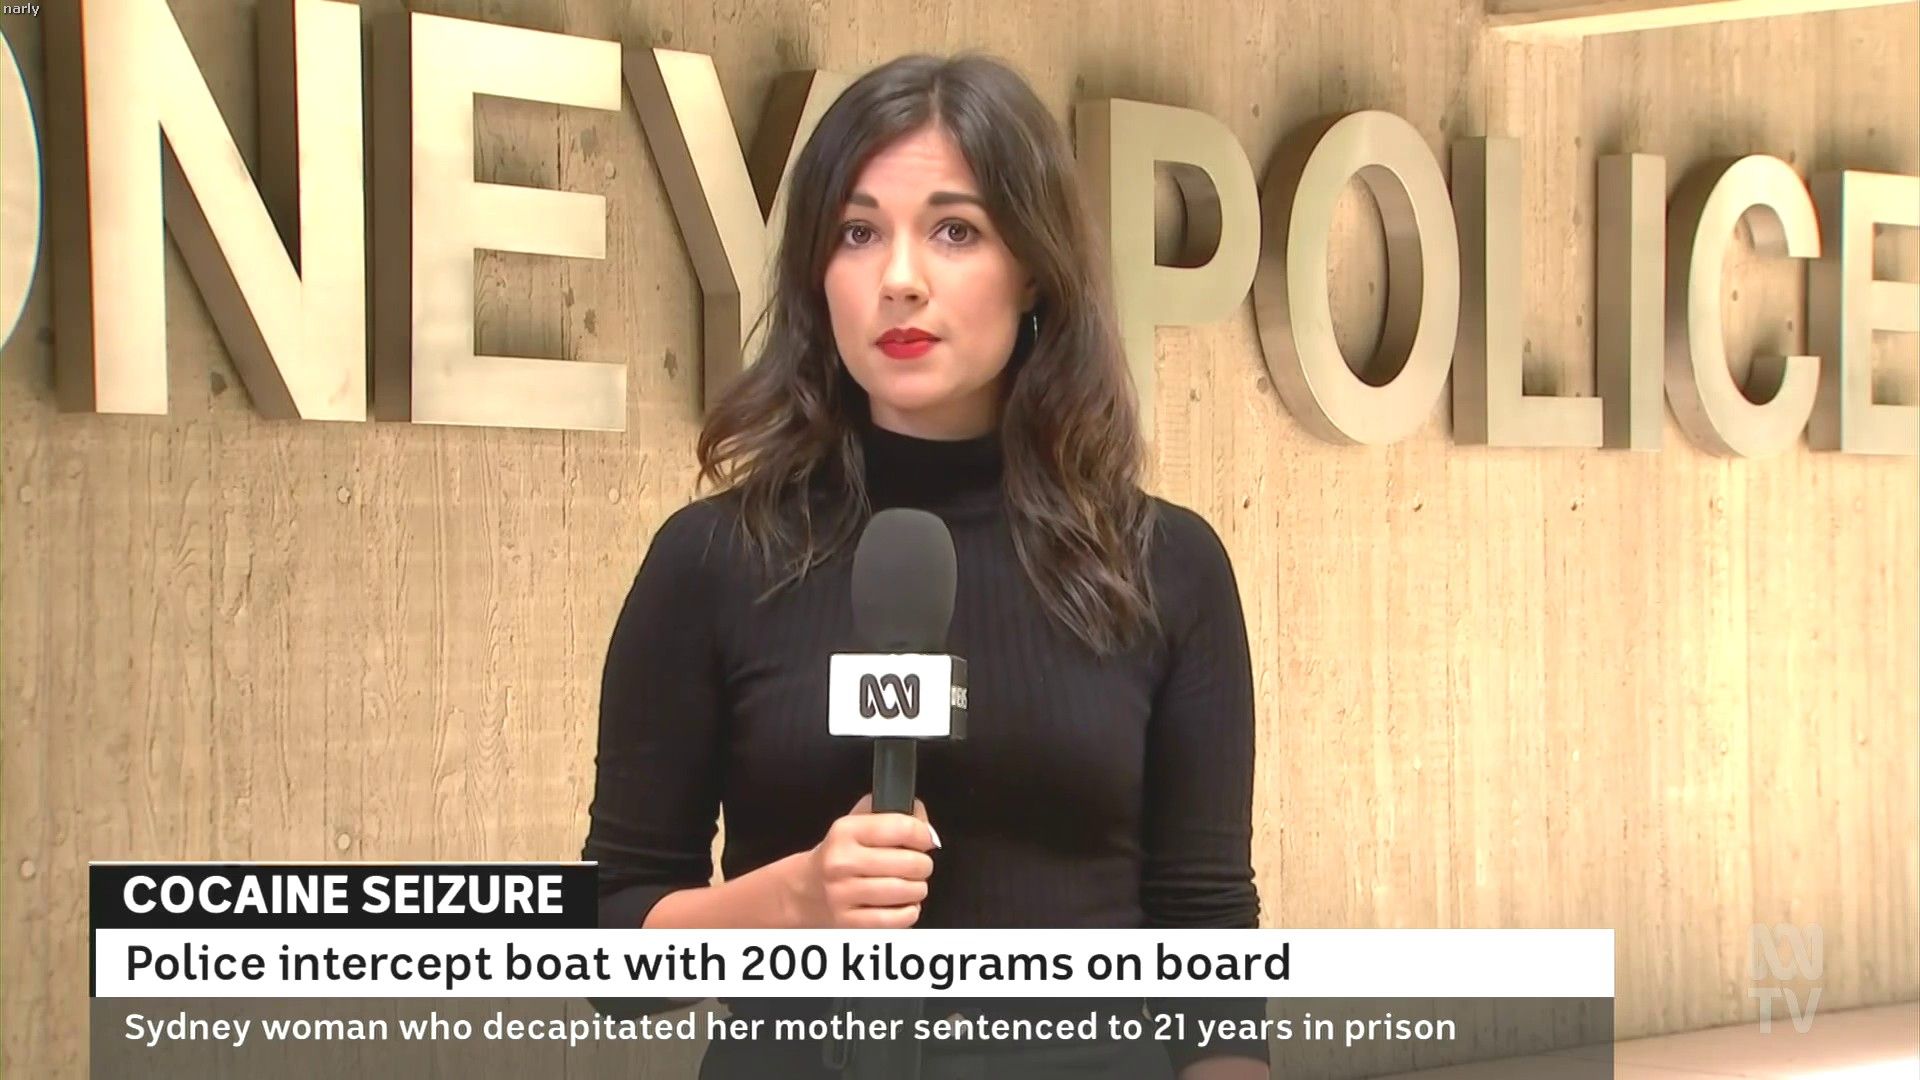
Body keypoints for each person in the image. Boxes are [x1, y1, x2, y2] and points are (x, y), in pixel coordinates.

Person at [582, 51, 1269, 1080]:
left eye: (955, 231)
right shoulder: (713, 561)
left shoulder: (1165, 566)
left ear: (1033, 268)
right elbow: (608, 942)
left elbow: (1208, 936)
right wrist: (790, 902)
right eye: (858, 233)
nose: (899, 278)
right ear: (816, 274)